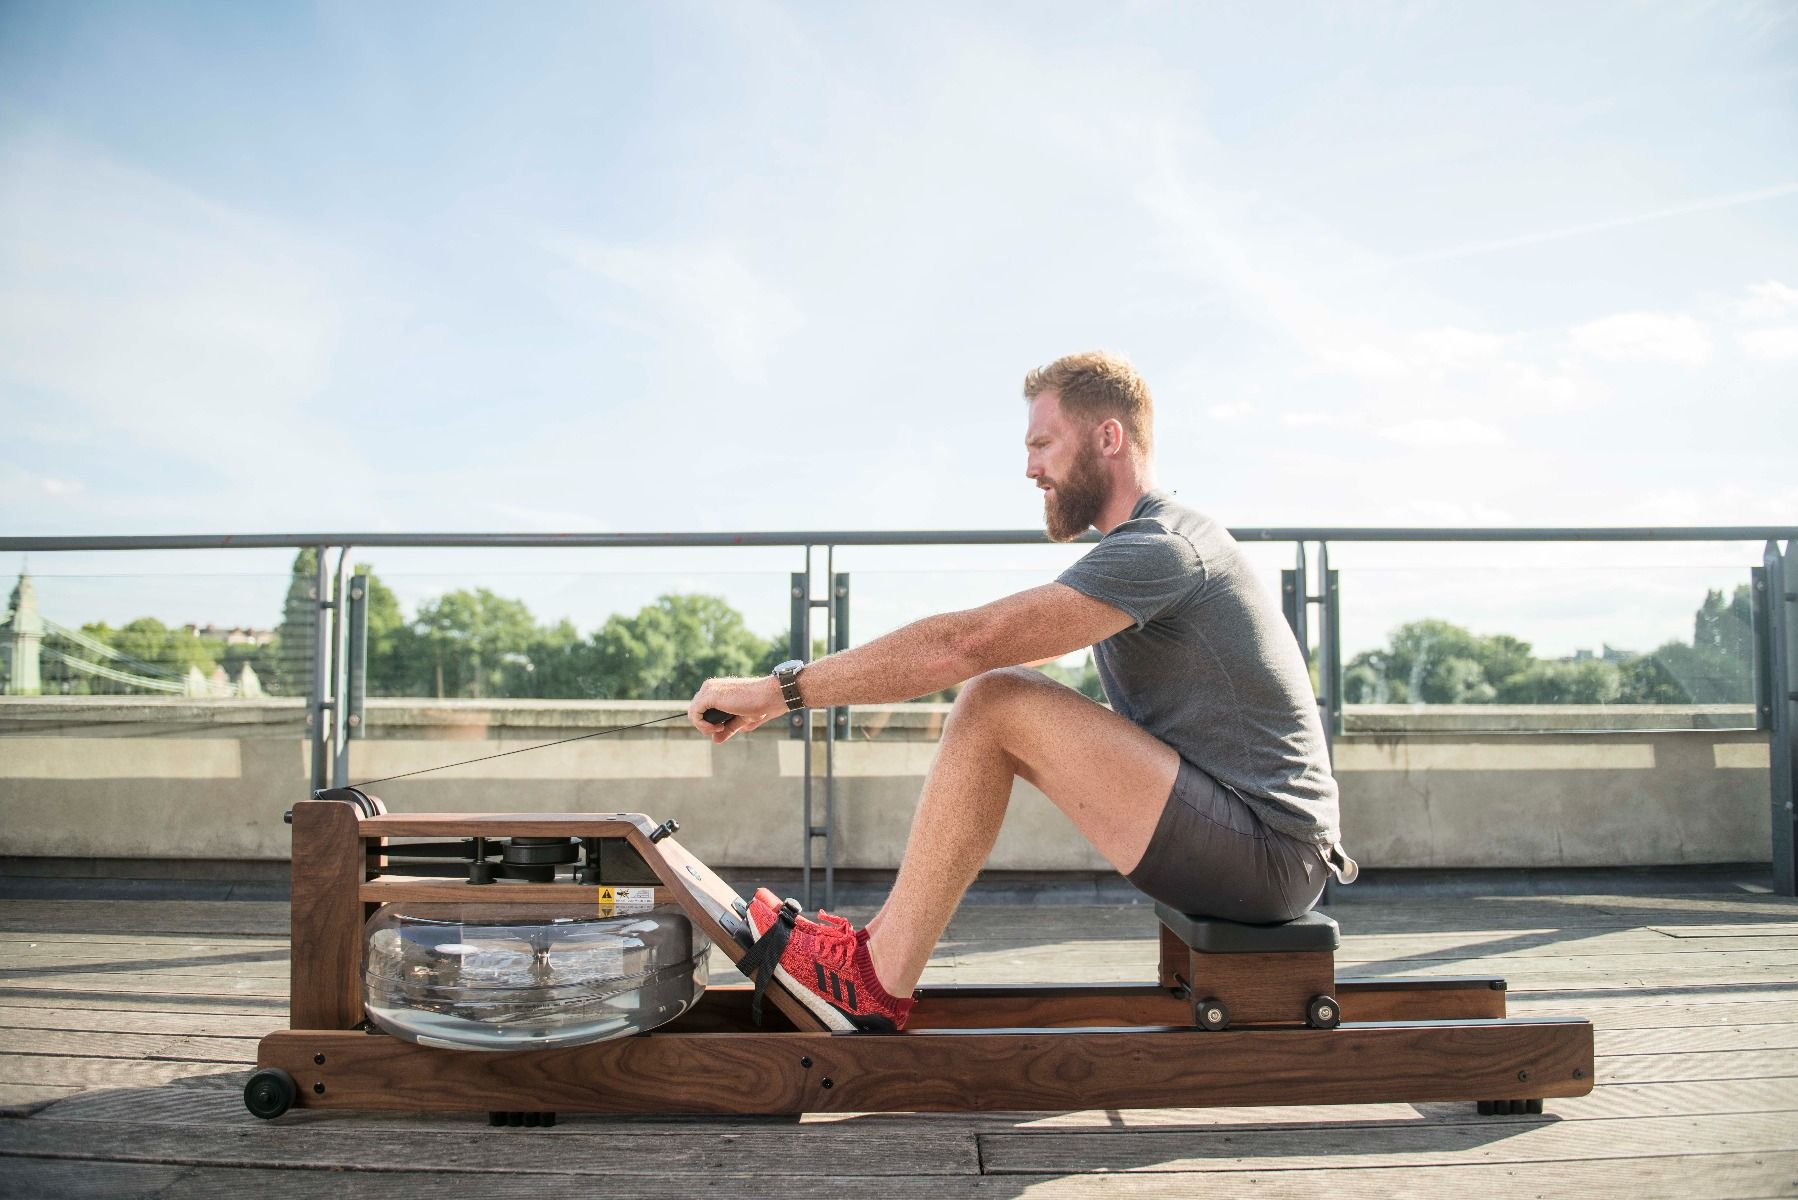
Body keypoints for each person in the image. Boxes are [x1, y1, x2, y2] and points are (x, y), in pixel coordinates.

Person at [687, 351, 1353, 1033]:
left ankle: (873, 982)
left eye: (1043, 443)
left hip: (1269, 850)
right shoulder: (1149, 547)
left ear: (1108, 438)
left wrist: (777, 691)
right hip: (1254, 841)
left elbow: (968, 644)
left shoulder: (1164, 548)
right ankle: (875, 951)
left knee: (996, 698)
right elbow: (987, 652)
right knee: (994, 696)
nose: (1031, 468)